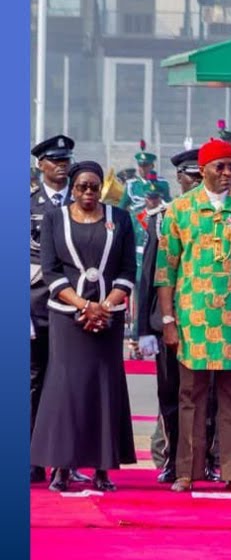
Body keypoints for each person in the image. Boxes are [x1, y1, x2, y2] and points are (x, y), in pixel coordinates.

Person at [156, 138, 231, 494]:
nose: (227, 174)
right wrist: (168, 320)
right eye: (220, 167)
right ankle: (186, 472)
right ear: (202, 170)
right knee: (190, 396)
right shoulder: (181, 210)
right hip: (192, 321)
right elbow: (166, 271)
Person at [32, 161, 137, 492]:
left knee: (104, 389)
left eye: (93, 187)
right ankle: (62, 467)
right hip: (67, 315)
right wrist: (84, 306)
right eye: (81, 187)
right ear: (73, 189)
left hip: (108, 316)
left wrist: (104, 307)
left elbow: (127, 269)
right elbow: (50, 270)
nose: (88, 192)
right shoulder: (54, 218)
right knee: (66, 391)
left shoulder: (118, 218)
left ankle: (103, 468)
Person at [135, 149, 221, 485]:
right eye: (192, 177)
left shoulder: (221, 216)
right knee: (171, 394)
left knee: (211, 395)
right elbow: (149, 278)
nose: (198, 183)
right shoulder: (162, 218)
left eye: (202, 176)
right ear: (180, 179)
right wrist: (143, 329)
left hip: (209, 322)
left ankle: (208, 460)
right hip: (170, 323)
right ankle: (172, 459)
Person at [29, 134, 81, 485]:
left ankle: (67, 459)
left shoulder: (83, 203)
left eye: (66, 160)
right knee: (32, 381)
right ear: (40, 165)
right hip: (34, 305)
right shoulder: (26, 203)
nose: (62, 165)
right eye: (54, 160)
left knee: (68, 382)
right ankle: (32, 458)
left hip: (72, 304)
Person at [124, 140, 170, 212]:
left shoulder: (162, 184)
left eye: (145, 166)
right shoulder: (131, 185)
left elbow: (168, 203)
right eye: (140, 166)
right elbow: (122, 205)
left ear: (152, 166)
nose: (142, 169)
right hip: (136, 222)